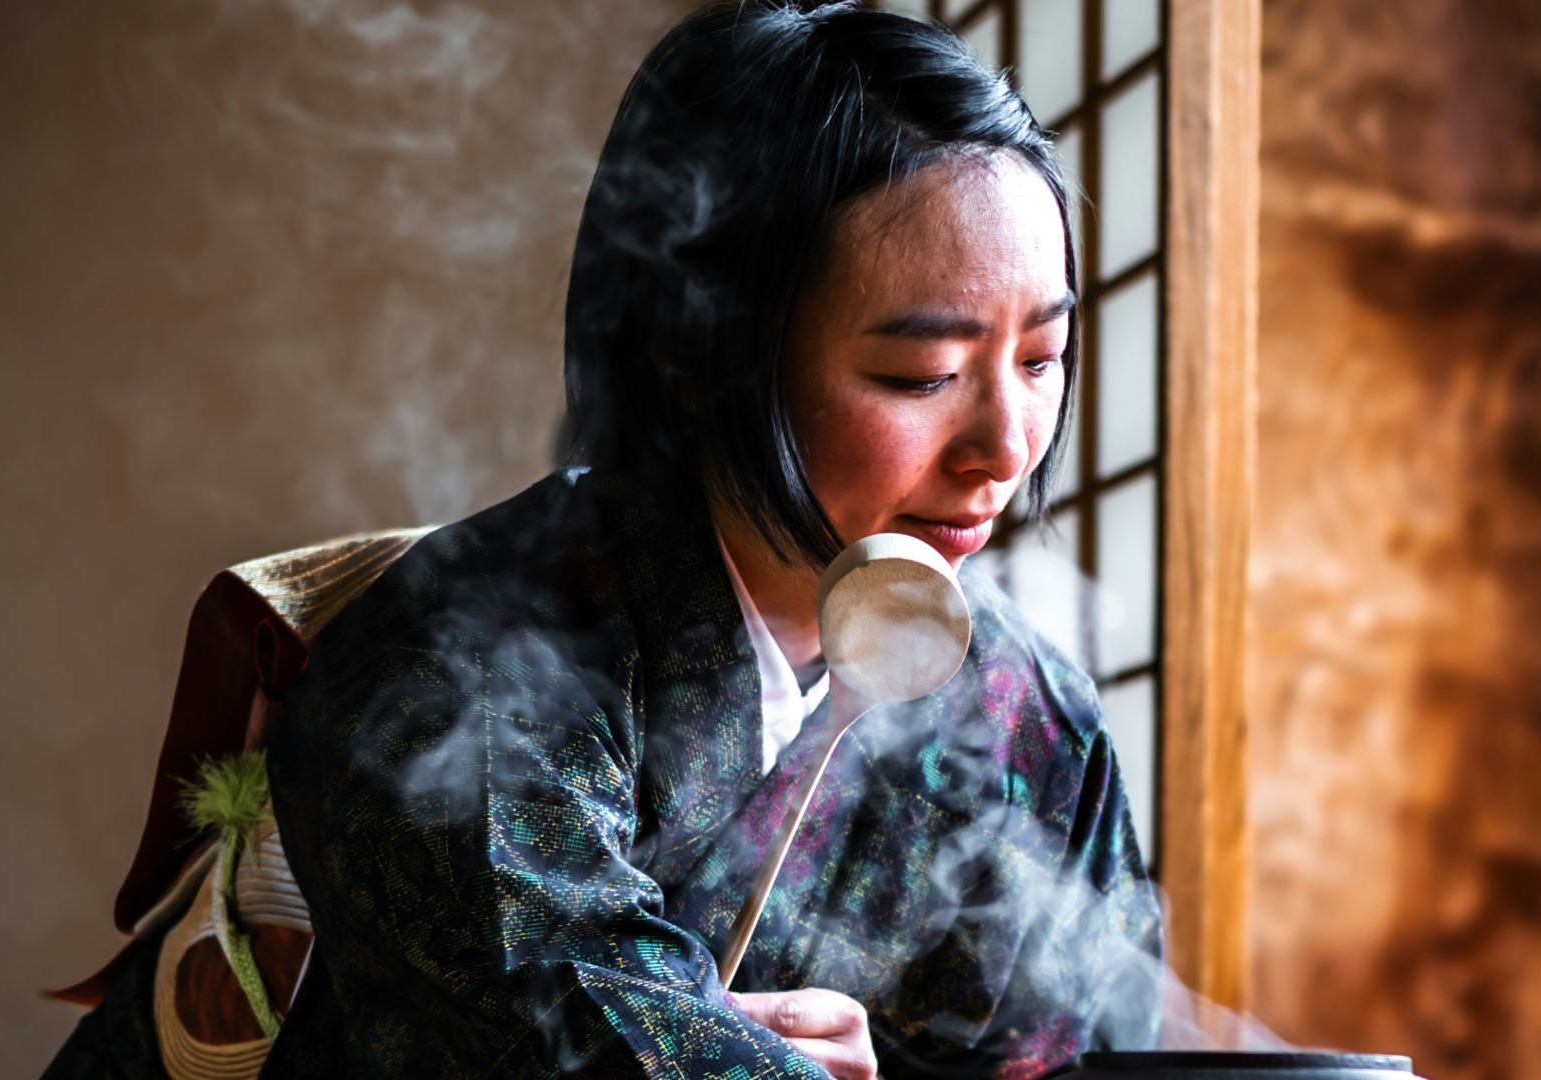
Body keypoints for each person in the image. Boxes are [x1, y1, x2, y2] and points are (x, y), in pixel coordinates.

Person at [66, 3, 1163, 1077]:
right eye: (920, 374)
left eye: (1041, 357)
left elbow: (1098, 1051)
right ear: (702, 348)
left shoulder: (1026, 717)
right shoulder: (460, 675)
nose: (1006, 447)